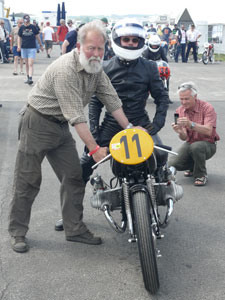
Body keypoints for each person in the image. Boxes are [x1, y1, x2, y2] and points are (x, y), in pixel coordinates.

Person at [8, 20, 142, 253]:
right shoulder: (65, 69)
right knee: (27, 181)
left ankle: (74, 229)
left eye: (100, 49)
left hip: (60, 127)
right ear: (79, 46)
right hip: (36, 123)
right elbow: (76, 116)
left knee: (73, 177)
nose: (96, 53)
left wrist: (130, 128)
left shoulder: (96, 68)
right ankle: (18, 232)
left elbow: (112, 100)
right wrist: (93, 148)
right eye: (91, 48)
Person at [55, 18, 170, 231]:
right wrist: (96, 134)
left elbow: (162, 98)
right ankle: (70, 215)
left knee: (161, 154)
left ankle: (162, 191)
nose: (130, 44)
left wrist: (157, 124)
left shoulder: (150, 67)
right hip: (110, 125)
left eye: (135, 40)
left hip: (141, 124)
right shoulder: (104, 66)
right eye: (125, 39)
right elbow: (95, 103)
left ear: (141, 42)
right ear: (117, 40)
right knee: (82, 167)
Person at [168, 82, 220, 186]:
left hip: (208, 144)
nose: (183, 102)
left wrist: (190, 124)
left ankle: (201, 175)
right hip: (191, 143)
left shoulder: (207, 108)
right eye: (181, 99)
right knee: (172, 163)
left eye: (187, 99)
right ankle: (192, 167)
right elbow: (184, 138)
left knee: (196, 147)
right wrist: (180, 132)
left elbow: (209, 131)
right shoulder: (179, 110)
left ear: (195, 97)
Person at [17, 14, 44, 85]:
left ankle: (30, 78)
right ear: (23, 21)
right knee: (26, 64)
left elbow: (38, 37)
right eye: (25, 21)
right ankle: (28, 77)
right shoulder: (21, 28)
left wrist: (41, 45)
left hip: (32, 48)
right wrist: (19, 46)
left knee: (30, 63)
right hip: (24, 48)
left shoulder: (33, 27)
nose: (27, 22)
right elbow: (19, 37)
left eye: (28, 20)